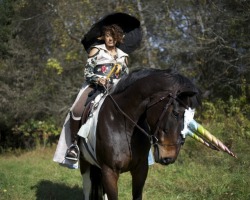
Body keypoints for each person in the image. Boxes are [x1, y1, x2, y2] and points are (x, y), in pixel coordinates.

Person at [64, 24, 129, 161]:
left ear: (118, 38)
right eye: (107, 35)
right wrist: (97, 79)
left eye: (112, 36)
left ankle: (142, 150)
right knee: (76, 110)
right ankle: (74, 146)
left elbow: (126, 77)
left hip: (117, 89)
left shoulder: (124, 57)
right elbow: (87, 72)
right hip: (95, 86)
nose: (110, 39)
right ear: (103, 37)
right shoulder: (96, 51)